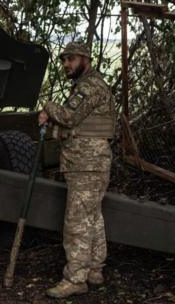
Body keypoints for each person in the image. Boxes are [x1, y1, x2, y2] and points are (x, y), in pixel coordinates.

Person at [38, 41, 115, 298]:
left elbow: (69, 117)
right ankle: (94, 269)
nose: (66, 65)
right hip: (90, 164)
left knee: (77, 223)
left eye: (70, 59)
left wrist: (48, 106)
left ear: (85, 59)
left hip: (87, 164)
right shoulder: (92, 85)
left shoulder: (89, 86)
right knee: (92, 217)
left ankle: (75, 279)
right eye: (63, 60)